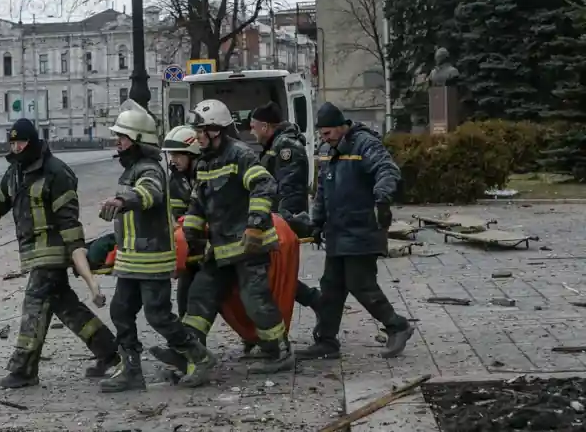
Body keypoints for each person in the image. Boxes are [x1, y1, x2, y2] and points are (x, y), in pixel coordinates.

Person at [0, 118, 119, 389]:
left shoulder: (56, 172)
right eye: (13, 143)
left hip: (53, 252)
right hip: (33, 251)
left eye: (21, 142)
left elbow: (69, 219)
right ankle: (110, 352)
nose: (17, 148)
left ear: (32, 142)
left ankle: (24, 369)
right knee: (65, 306)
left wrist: (78, 256)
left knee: (34, 305)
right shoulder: (15, 173)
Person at [152, 99, 294, 384]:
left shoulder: (239, 155)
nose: (198, 136)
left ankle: (279, 352)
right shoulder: (205, 162)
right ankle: (189, 352)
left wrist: (254, 226)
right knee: (200, 297)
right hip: (219, 250)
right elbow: (197, 204)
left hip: (249, 246)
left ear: (217, 130)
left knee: (255, 301)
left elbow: (264, 185)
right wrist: (191, 236)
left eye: (202, 130)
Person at [97, 101, 215, 393]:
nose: (118, 143)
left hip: (151, 260)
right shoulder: (132, 169)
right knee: (121, 311)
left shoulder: (149, 169)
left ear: (137, 140)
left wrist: (122, 202)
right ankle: (132, 370)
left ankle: (199, 357)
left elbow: (148, 194)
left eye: (122, 137)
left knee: (158, 316)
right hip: (130, 260)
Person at [295, 102, 414, 360]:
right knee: (331, 287)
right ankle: (326, 340)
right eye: (322, 134)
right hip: (338, 233)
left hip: (362, 231)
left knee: (361, 284)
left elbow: (387, 170)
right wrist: (317, 222)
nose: (324, 139)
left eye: (327, 133)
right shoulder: (329, 150)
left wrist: (382, 200)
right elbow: (323, 191)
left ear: (341, 127)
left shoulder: (365, 145)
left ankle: (398, 326)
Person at [248, 101, 321, 351]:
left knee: (275, 276)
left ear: (266, 126)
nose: (252, 132)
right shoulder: (274, 145)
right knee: (273, 276)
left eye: (254, 127)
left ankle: (317, 303)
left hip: (283, 222)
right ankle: (317, 302)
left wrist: (283, 221)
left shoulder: (285, 147)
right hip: (277, 220)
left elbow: (288, 189)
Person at [161, 125, 202, 318]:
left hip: (213, 245)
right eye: (171, 155)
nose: (174, 160)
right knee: (185, 296)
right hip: (190, 247)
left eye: (178, 155)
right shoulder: (175, 181)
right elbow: (176, 218)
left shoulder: (207, 174)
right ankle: (189, 341)